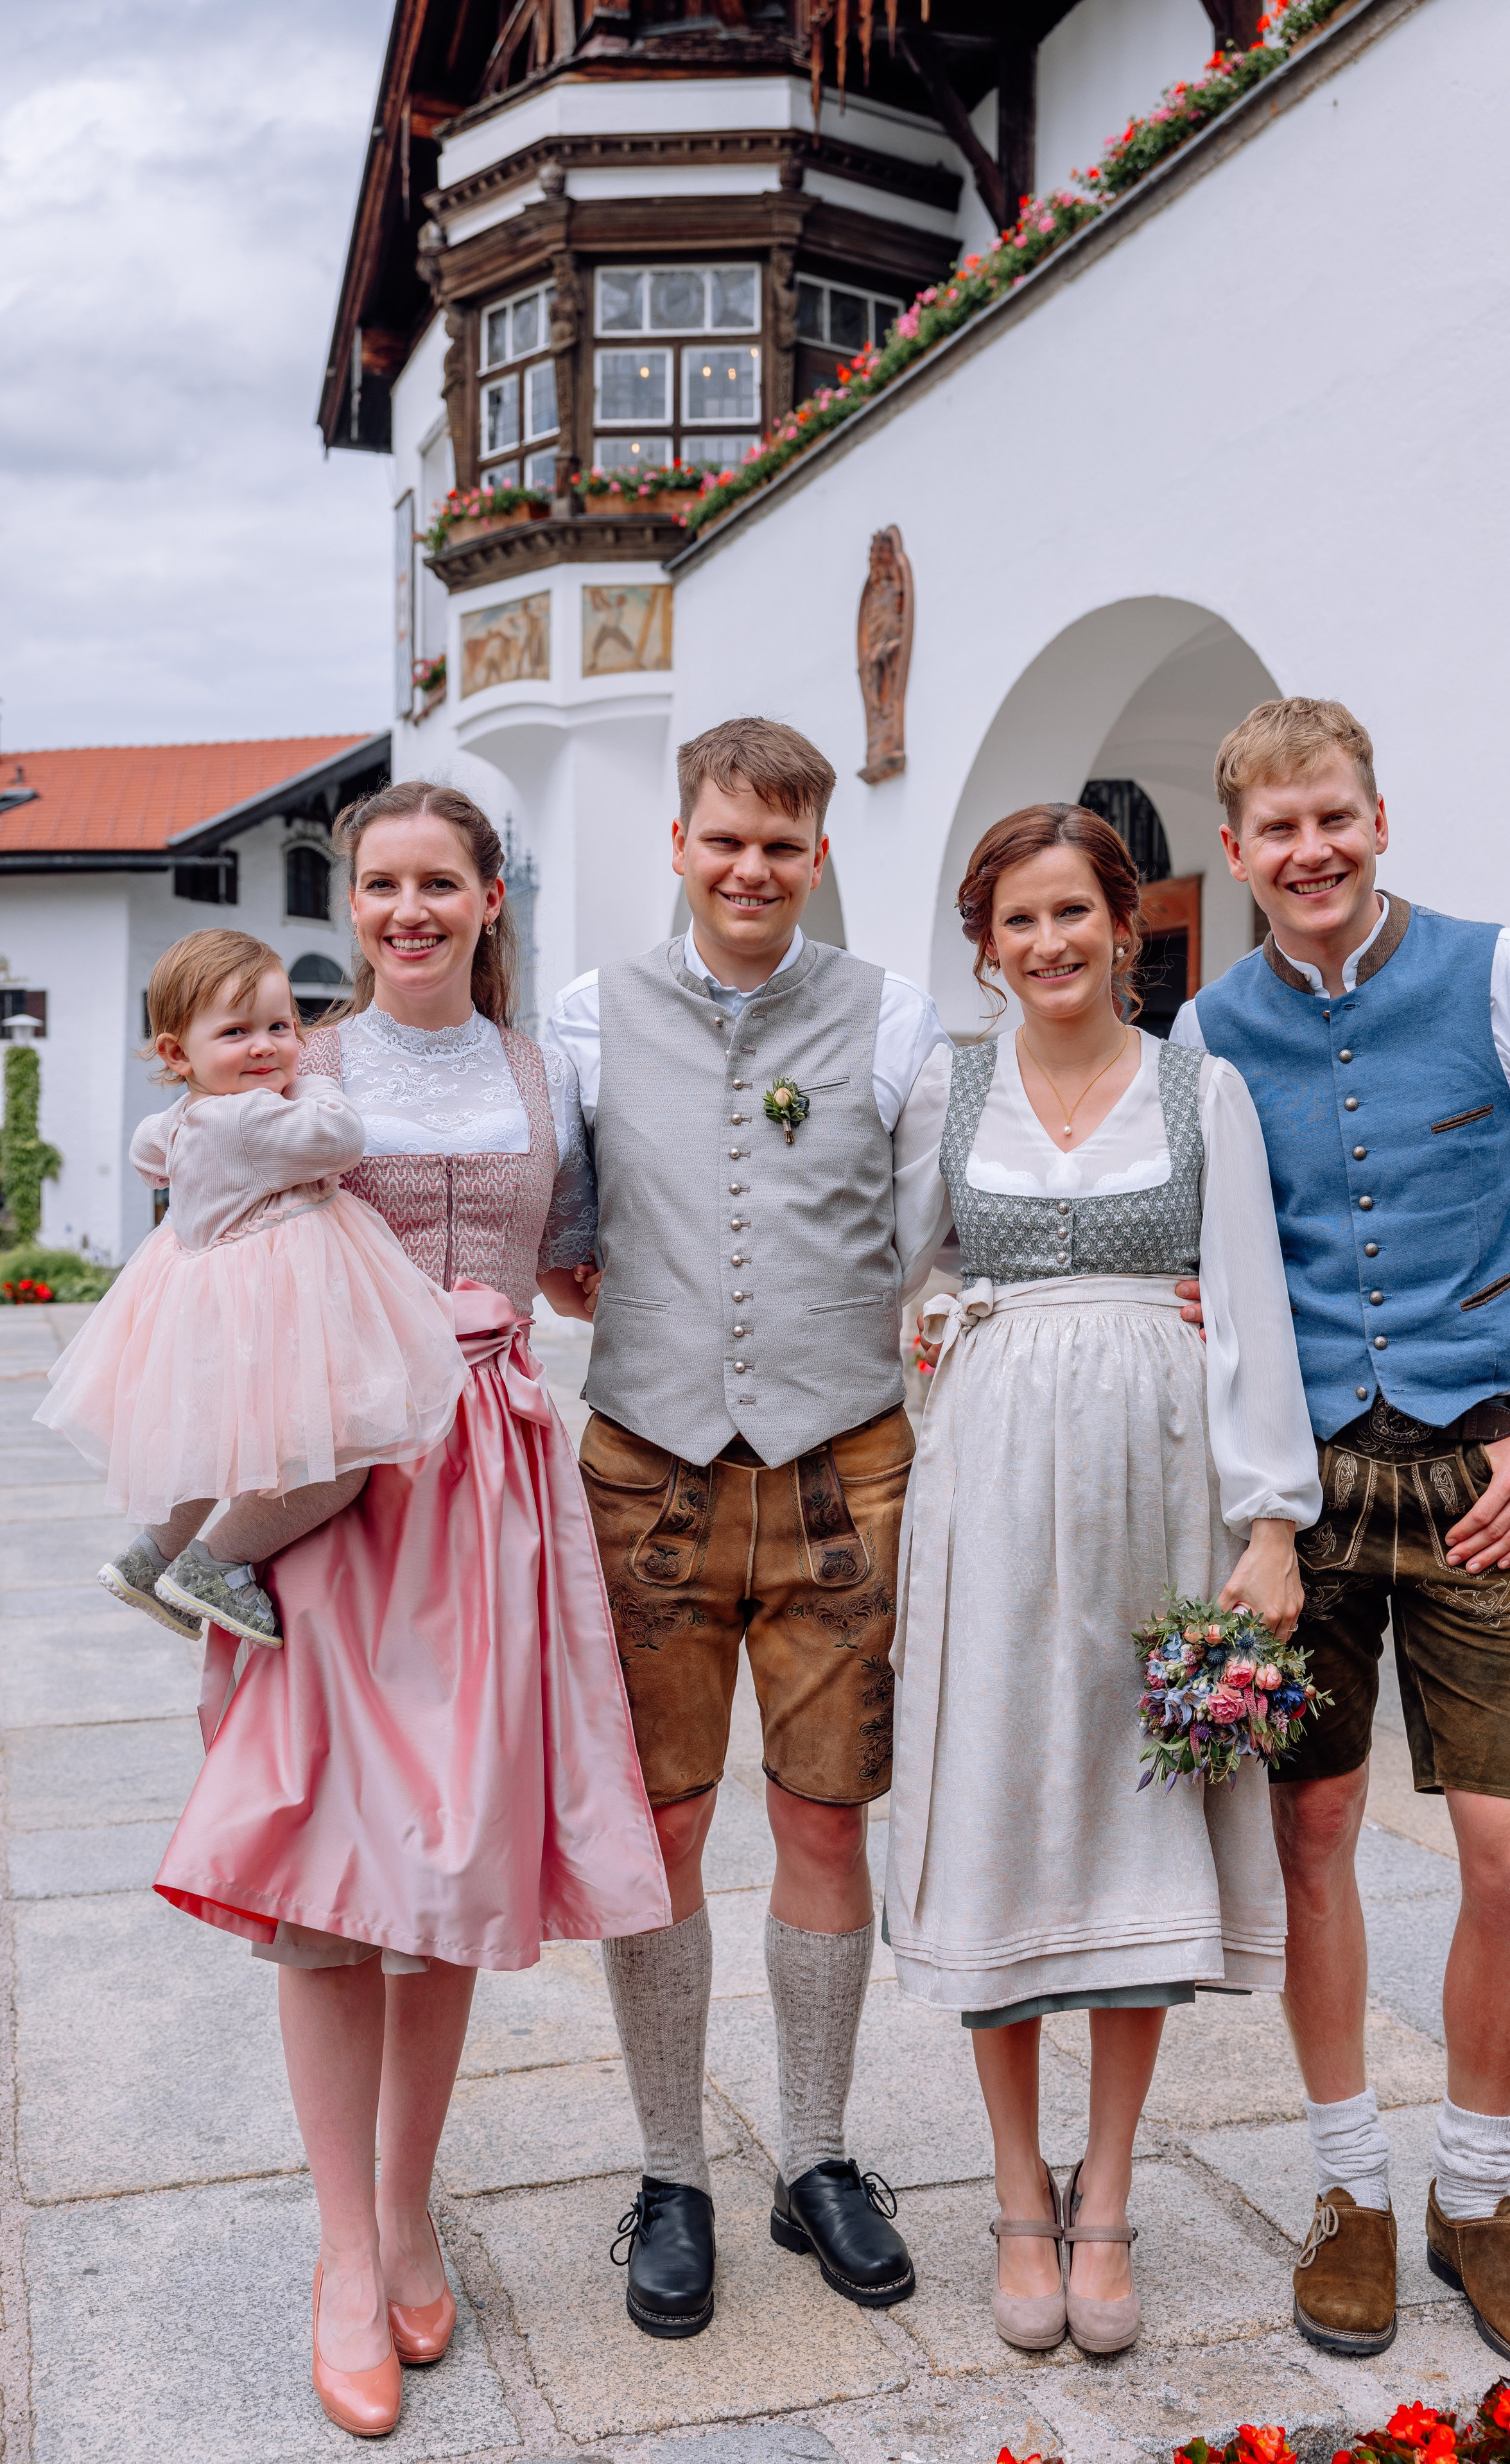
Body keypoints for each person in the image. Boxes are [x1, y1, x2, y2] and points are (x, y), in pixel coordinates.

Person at [152, 784, 670, 2440]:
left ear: (492, 895)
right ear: (356, 902)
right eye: (380, 883)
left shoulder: (546, 1074)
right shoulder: (298, 1067)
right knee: (322, 1877)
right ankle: (334, 2252)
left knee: (445, 1866)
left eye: (438, 880)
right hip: (338, 1482)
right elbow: (199, 1219)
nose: (406, 908)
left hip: (495, 1490)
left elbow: (578, 1254)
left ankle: (404, 2207)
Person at [1173, 697, 1510, 2375]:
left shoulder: (1500, 971)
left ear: (1380, 819)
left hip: (1483, 1479)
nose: (1309, 851)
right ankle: (1352, 2186)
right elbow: (1210, 1272)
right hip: (1303, 1503)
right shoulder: (1208, 1031)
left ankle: (1484, 2191)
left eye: (1335, 818)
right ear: (1233, 852)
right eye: (1276, 828)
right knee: (1310, 1844)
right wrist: (1247, 1506)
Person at [884, 801, 1321, 2354]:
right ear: (984, 943)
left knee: (1145, 1831)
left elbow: (1255, 1308)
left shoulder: (1204, 1091)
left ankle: (1111, 2187)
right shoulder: (945, 1084)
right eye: (1017, 920)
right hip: (990, 1500)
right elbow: (903, 1273)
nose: (1050, 943)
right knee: (1005, 1816)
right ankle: (1016, 2193)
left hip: (1160, 1491)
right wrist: (948, 1335)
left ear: (1121, 924)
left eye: (1074, 912)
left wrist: (1268, 1525)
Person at [546, 715, 950, 2339]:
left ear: (817, 854)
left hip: (838, 1471)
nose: (749, 869)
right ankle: (666, 2170)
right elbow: (556, 1217)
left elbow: (921, 1228)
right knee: (654, 1829)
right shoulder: (584, 1016)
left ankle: (816, 2153)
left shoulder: (891, 1016)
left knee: (827, 1820)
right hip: (643, 1470)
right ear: (678, 842)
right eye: (724, 839)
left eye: (780, 845)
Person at [36, 928, 466, 1649]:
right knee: (333, 1469)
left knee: (213, 1451)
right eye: (237, 1033)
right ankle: (216, 1563)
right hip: (277, 1318)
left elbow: (146, 1153)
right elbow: (341, 1136)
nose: (266, 1047)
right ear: (177, 1053)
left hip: (210, 1316)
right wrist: (317, 1082)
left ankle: (149, 1559)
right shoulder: (257, 1116)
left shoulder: (181, 1117)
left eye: (280, 1027)